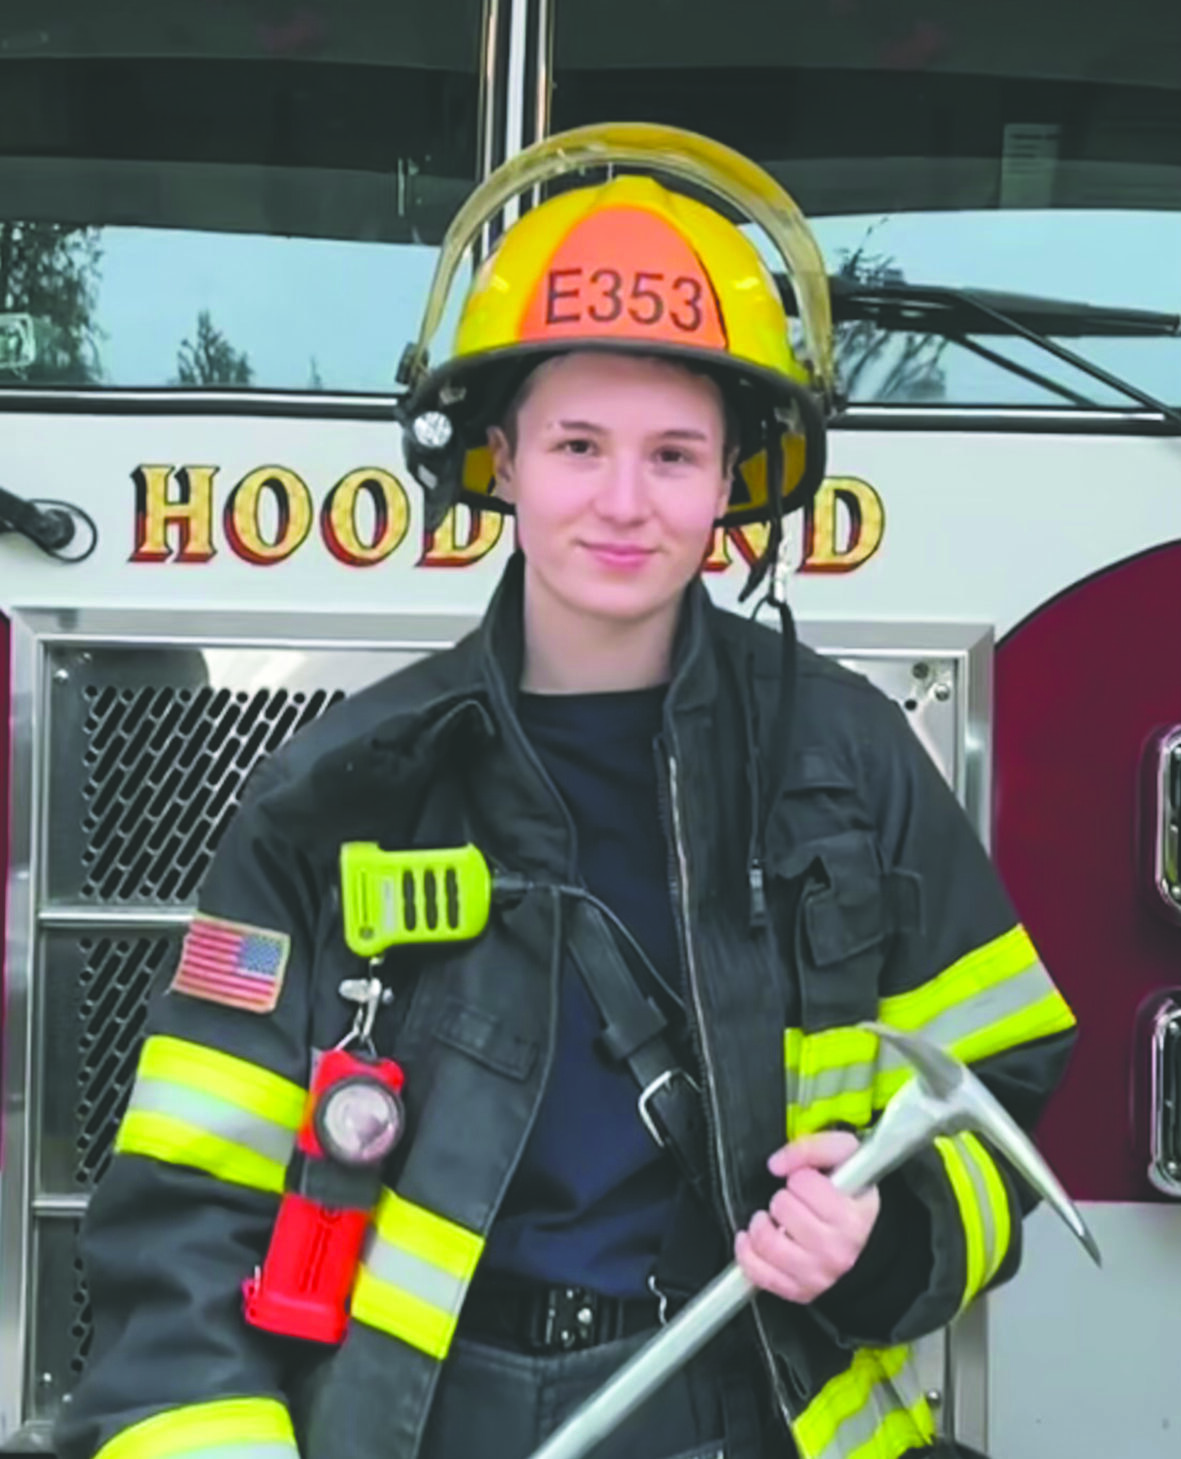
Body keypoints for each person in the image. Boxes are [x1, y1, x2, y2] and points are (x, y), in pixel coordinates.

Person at [56, 124, 1076, 1459]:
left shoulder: (855, 763)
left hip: (753, 1409)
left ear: (733, 485)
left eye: (672, 454)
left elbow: (1001, 1082)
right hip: (427, 1423)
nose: (622, 501)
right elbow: (187, 1216)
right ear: (502, 461)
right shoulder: (340, 791)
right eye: (577, 443)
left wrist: (888, 1240)